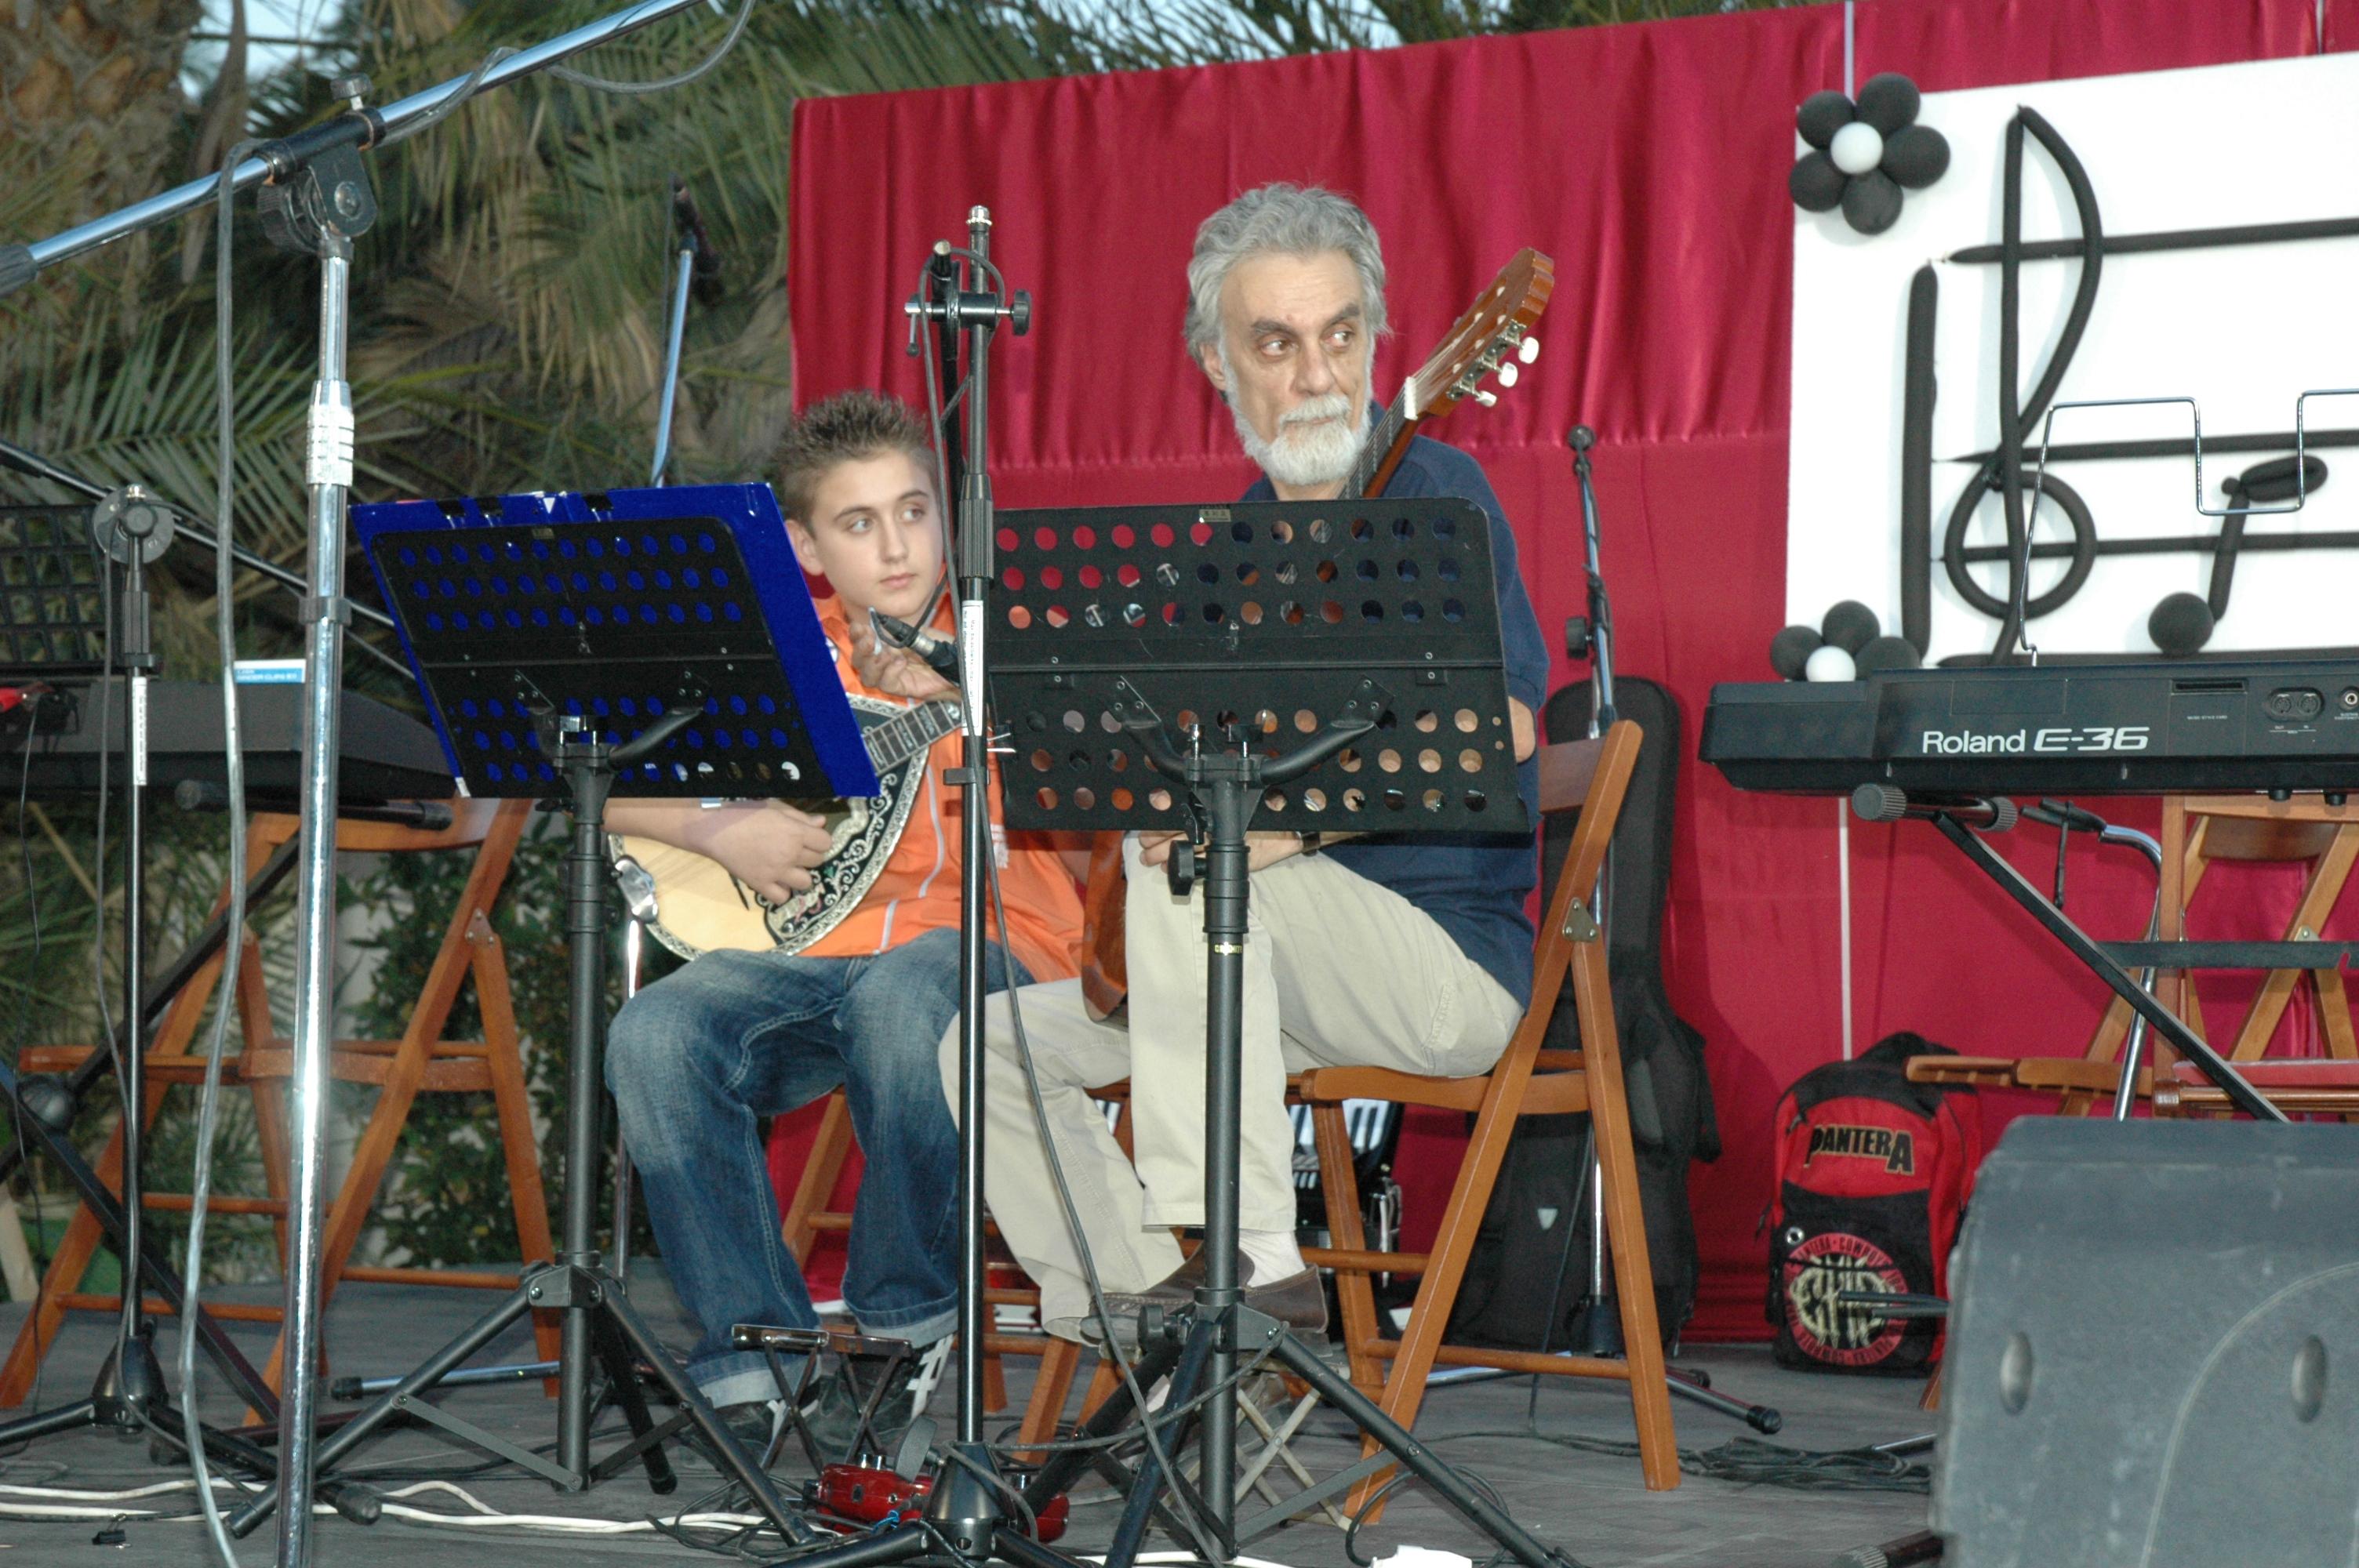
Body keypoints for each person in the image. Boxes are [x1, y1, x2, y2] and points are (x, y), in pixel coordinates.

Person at [950, 183, 1550, 1340]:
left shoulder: (1434, 496)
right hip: (1253, 975)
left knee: (1200, 862)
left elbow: (1509, 729)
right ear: (1216, 365)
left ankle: (1249, 1267)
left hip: (1437, 970)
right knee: (986, 1049)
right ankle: (1146, 1325)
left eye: (1341, 335)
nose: (1318, 374)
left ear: (1375, 341)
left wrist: (1284, 831)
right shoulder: (1220, 560)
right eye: (1276, 343)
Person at [605, 391, 1085, 1438]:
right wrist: (717, 830)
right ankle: (755, 1359)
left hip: (994, 948)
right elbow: (590, 781)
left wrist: (964, 695)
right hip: (812, 955)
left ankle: (901, 1330)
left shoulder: (1017, 645)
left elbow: (1114, 780)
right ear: (806, 549)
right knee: (656, 1033)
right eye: (859, 523)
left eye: (913, 512)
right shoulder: (777, 658)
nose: (897, 546)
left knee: (904, 1004)